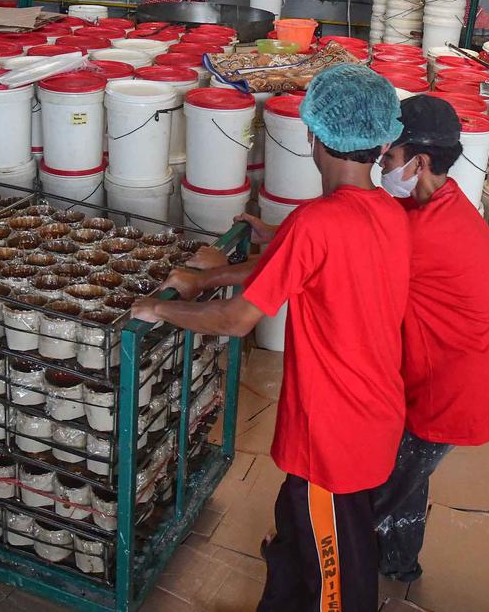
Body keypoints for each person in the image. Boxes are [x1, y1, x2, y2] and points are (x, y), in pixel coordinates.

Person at [134, 64, 411, 611]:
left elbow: (237, 320)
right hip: (374, 413)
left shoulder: (317, 224)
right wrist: (214, 274)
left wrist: (159, 308)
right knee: (297, 531)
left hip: (332, 435)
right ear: (381, 141)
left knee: (338, 577)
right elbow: (303, 261)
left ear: (311, 133)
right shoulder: (388, 213)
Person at [370, 96, 489, 582]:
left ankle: (327, 569)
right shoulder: (441, 202)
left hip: (455, 388)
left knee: (382, 485)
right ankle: (399, 564)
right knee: (408, 480)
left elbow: (342, 254)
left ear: (420, 163)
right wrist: (278, 233)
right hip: (460, 373)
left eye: (389, 157)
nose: (381, 166)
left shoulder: (428, 233)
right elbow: (367, 224)